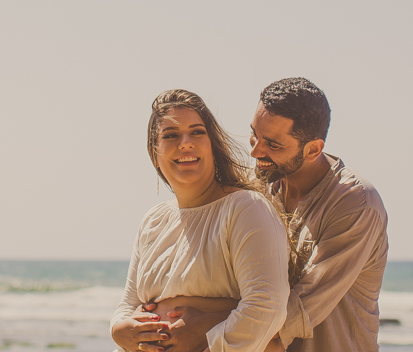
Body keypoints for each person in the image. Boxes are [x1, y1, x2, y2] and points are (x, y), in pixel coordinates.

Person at [143, 78, 389, 352]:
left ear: (313, 149)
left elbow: (297, 310)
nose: (255, 151)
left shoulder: (355, 203)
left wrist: (204, 327)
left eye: (273, 144)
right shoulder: (260, 184)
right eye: (254, 134)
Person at [110, 89, 290, 352]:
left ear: (212, 144)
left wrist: (207, 339)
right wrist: (118, 329)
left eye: (197, 132)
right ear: (154, 152)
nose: (185, 143)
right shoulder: (153, 221)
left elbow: (267, 307)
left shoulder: (246, 208)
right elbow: (128, 303)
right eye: (171, 135)